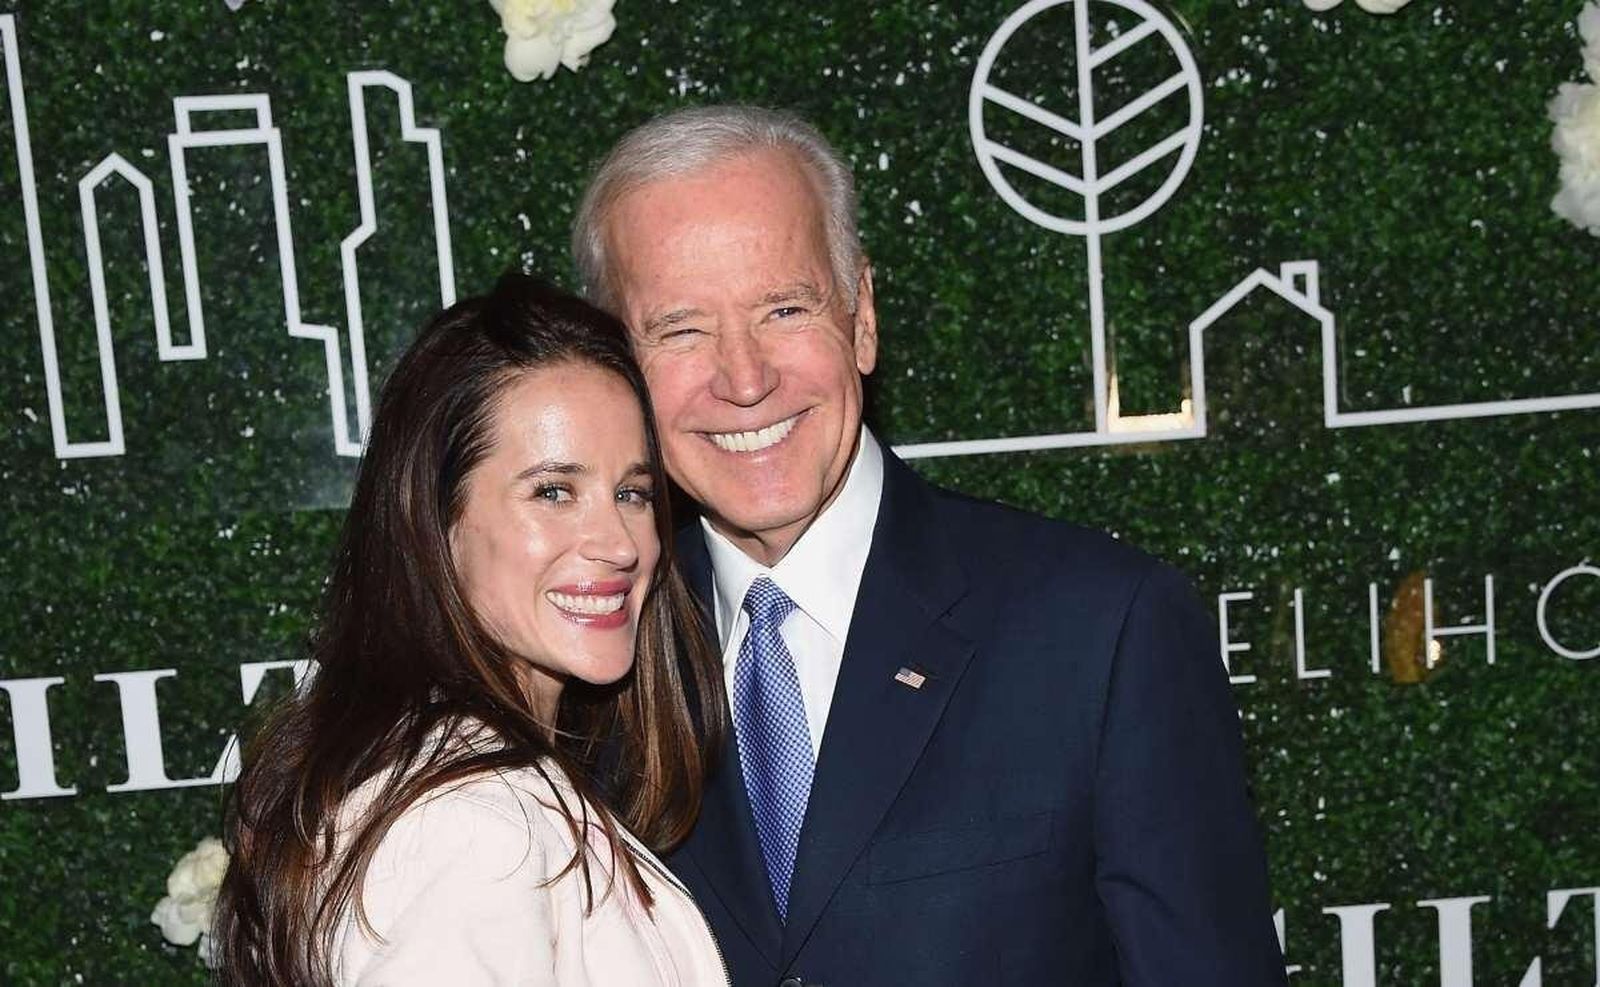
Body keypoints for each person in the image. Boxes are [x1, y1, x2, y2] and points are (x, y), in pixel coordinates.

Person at [572, 106, 1289, 986]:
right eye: (681, 329)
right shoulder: (589, 664)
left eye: (785, 308)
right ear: (614, 365)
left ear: (862, 317)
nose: (746, 379)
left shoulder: (1099, 631)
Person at [212, 274, 730, 985]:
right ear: (439, 522)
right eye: (554, 491)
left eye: (632, 492)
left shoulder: (449, 780)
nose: (620, 541)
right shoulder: (475, 826)